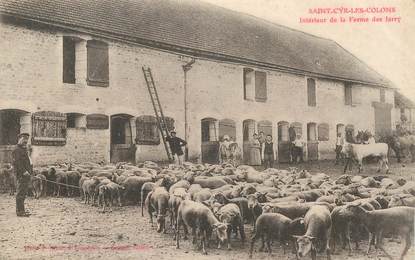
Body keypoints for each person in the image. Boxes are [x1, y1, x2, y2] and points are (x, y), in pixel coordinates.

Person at [12, 132, 33, 217]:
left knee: (23, 193)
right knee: (20, 193)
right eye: (24, 139)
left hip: (26, 175)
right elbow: (17, 163)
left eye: (27, 139)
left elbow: (27, 161)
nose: (25, 141)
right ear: (19, 139)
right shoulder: (16, 150)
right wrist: (24, 171)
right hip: (22, 175)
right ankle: (20, 212)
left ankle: (22, 210)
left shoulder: (23, 149)